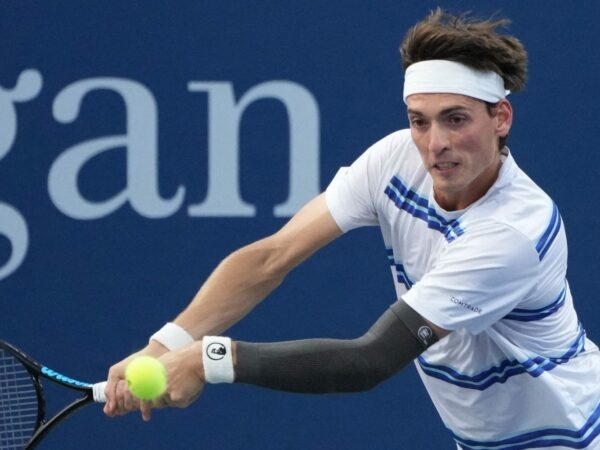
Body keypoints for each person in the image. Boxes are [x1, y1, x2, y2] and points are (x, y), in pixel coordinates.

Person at [104, 9, 600, 449]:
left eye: (456, 119)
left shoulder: (509, 234)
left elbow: (369, 362)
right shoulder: (394, 159)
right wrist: (165, 345)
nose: (435, 144)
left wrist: (207, 360)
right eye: (420, 121)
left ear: (501, 118)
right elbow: (271, 257)